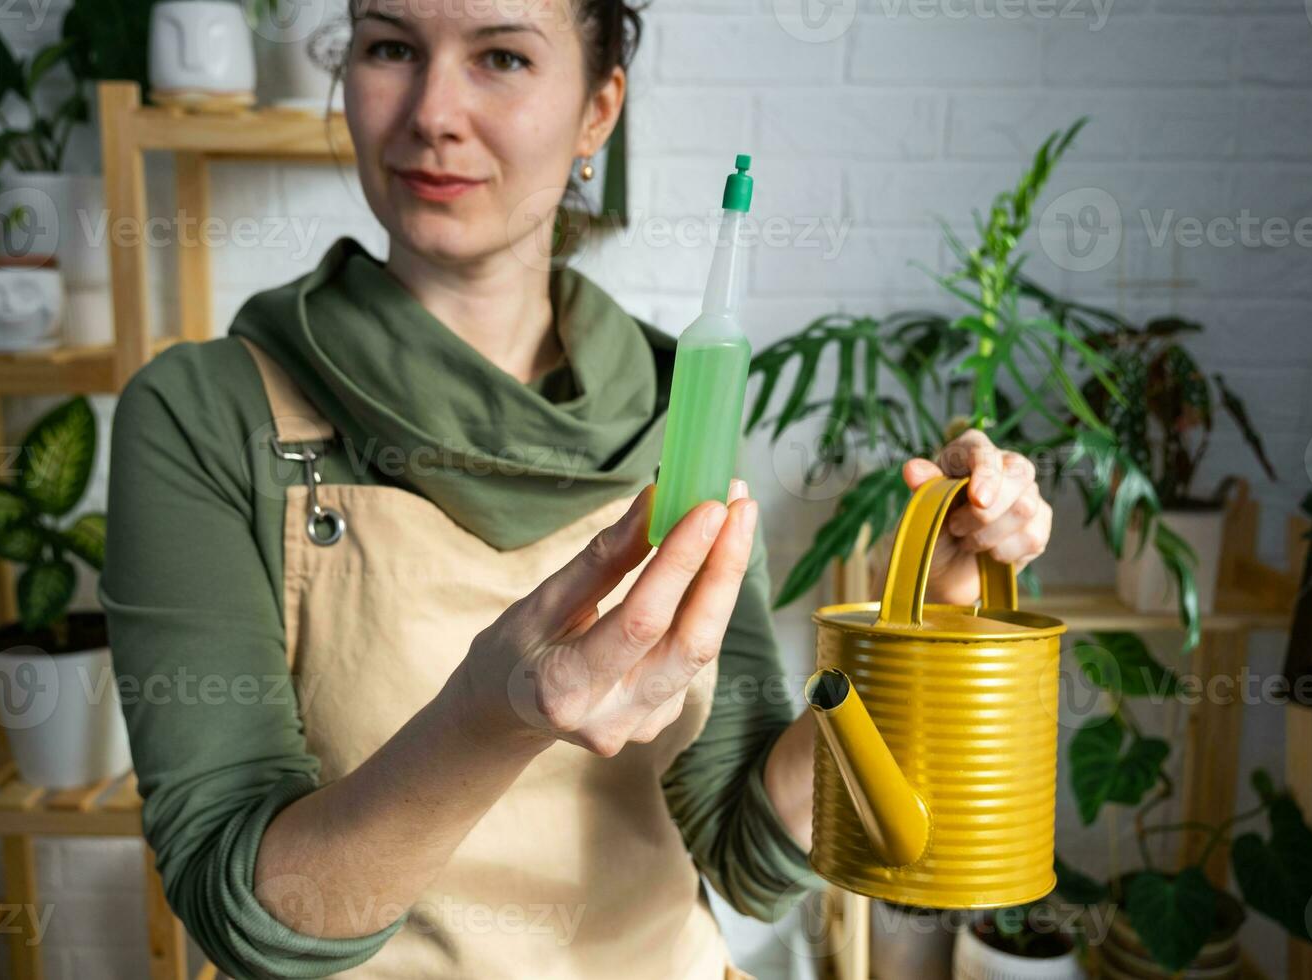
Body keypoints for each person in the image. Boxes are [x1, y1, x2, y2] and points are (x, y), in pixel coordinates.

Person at [100, 0, 1054, 977]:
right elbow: (245, 915)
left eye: (502, 56)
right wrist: (489, 717)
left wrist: (926, 616)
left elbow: (752, 856)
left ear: (599, 110)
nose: (433, 110)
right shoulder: (204, 414)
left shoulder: (683, 403)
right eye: (392, 46)